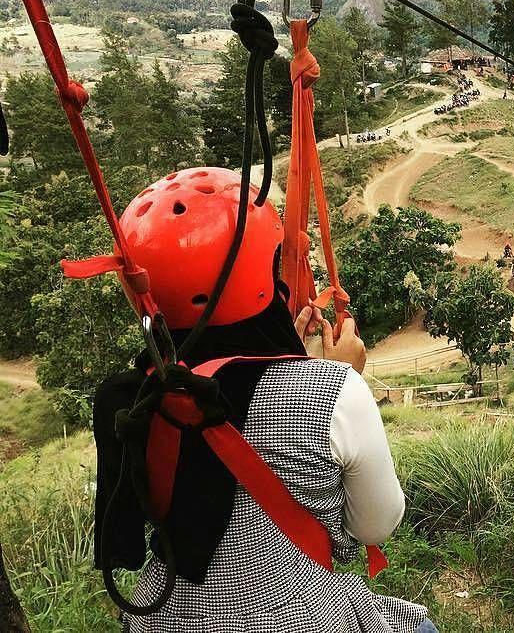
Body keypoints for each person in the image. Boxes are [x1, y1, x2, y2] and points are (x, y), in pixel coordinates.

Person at [92, 167, 435, 633]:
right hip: (297, 612)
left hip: (164, 616)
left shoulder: (133, 398)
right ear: (260, 268)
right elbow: (377, 525)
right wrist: (341, 378)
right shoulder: (332, 392)